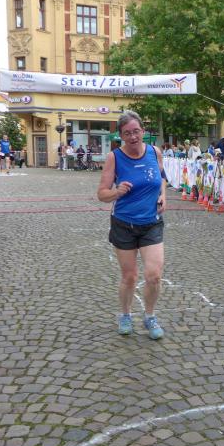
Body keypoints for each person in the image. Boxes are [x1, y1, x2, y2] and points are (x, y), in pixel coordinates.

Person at [97, 111, 167, 340]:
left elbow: (162, 177)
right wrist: (117, 192)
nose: (133, 137)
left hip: (151, 223)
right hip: (124, 224)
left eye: (136, 131)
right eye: (127, 133)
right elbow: (102, 194)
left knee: (154, 275)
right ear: (121, 135)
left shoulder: (155, 152)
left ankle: (150, 316)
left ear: (143, 131)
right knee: (129, 277)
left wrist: (163, 195)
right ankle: (126, 315)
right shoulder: (114, 157)